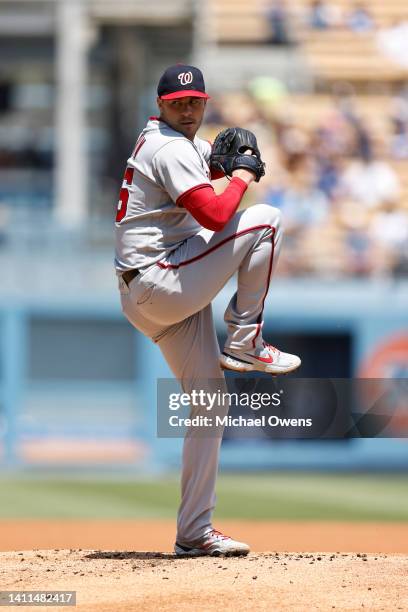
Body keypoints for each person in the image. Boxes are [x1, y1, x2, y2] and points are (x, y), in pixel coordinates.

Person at [114, 64, 301, 557]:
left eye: (196, 101)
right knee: (264, 219)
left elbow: (204, 179)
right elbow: (216, 213)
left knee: (210, 402)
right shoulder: (168, 145)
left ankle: (193, 533)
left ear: (205, 102)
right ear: (161, 106)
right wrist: (240, 175)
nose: (189, 109)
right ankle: (244, 338)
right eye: (178, 103)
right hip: (161, 280)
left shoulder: (181, 145)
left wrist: (224, 167)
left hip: (154, 292)